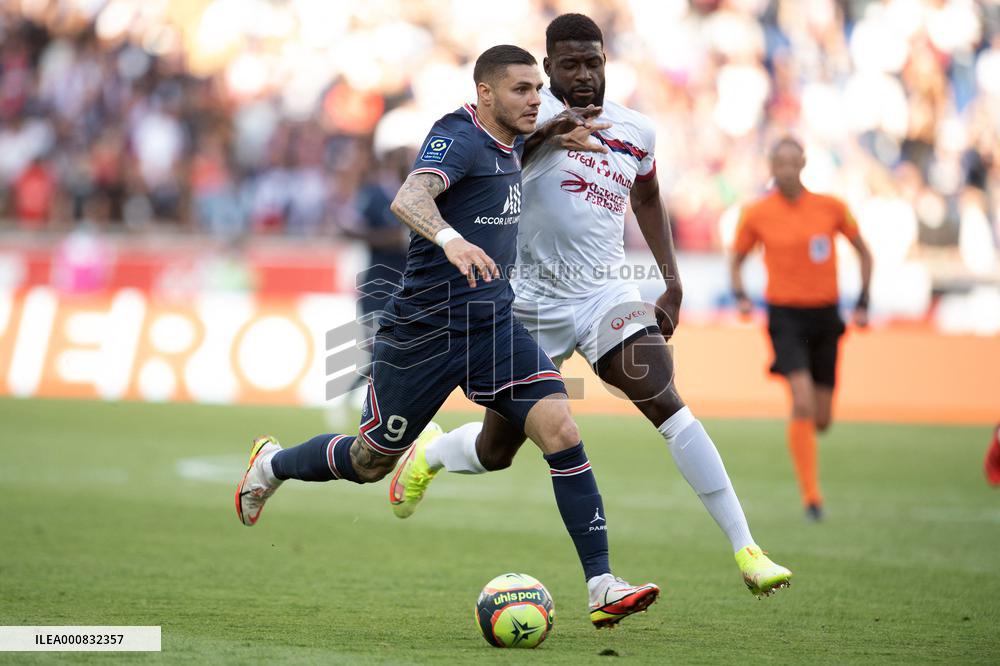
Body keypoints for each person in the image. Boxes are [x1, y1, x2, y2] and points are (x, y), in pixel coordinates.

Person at [235, 44, 659, 629]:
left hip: (493, 326)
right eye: (522, 90)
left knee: (560, 428)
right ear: (486, 93)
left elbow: (522, 147)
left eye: (538, 89)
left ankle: (602, 584)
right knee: (368, 461)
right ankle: (273, 465)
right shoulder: (457, 134)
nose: (536, 99)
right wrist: (451, 240)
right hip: (424, 333)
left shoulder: (515, 138)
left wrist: (559, 133)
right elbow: (409, 198)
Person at [389, 14, 792, 599]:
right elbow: (484, 171)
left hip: (605, 292)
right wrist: (551, 134)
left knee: (663, 396)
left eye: (594, 63)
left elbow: (648, 193)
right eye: (570, 65)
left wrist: (671, 281)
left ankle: (746, 548)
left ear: (607, 63)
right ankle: (436, 452)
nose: (584, 75)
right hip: (529, 302)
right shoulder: (521, 120)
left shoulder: (636, 130)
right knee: (496, 451)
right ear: (548, 68)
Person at [730, 137, 873, 521]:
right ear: (771, 166)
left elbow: (864, 251)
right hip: (785, 317)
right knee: (803, 403)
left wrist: (862, 301)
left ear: (804, 164)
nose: (787, 170)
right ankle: (812, 497)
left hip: (826, 317)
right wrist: (741, 296)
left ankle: (793, 381)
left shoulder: (831, 207)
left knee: (822, 419)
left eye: (794, 163)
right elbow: (737, 258)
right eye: (780, 163)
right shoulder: (757, 213)